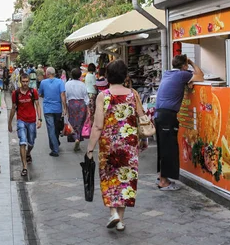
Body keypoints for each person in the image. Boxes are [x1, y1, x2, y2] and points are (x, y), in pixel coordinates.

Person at [86, 59, 145, 231]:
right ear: (125, 75)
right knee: (126, 179)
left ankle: (113, 212)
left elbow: (97, 126)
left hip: (109, 145)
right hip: (129, 145)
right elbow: (141, 117)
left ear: (107, 77)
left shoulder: (103, 96)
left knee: (110, 178)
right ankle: (120, 219)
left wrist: (90, 148)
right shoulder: (133, 94)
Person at [155, 54, 204, 191]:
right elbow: (200, 76)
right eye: (186, 64)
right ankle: (164, 183)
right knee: (169, 148)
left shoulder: (168, 74)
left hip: (160, 115)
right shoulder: (182, 75)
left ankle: (161, 176)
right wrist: (192, 63)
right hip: (167, 116)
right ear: (184, 66)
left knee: (163, 147)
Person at [8, 73, 42, 175]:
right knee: (22, 141)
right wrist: (9, 123)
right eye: (23, 81)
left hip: (31, 120)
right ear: (20, 81)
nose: (25, 83)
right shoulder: (16, 93)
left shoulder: (33, 92)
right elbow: (13, 108)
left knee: (31, 142)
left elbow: (37, 105)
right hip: (21, 120)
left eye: (27, 81)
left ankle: (28, 153)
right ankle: (24, 167)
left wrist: (39, 119)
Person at [39, 66, 67, 157]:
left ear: (47, 74)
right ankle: (55, 144)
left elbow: (40, 94)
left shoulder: (43, 82)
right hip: (57, 108)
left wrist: (46, 97)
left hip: (47, 109)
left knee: (51, 128)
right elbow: (62, 95)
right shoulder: (60, 82)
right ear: (54, 73)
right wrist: (65, 107)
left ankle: (55, 149)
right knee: (56, 127)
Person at [65, 68, 89, 152]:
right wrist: (88, 109)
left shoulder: (67, 84)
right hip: (81, 104)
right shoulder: (82, 84)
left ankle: (75, 138)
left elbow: (66, 96)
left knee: (72, 122)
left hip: (71, 104)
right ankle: (78, 138)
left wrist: (65, 107)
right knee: (80, 122)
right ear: (80, 76)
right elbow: (86, 97)